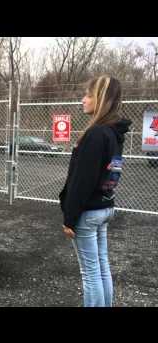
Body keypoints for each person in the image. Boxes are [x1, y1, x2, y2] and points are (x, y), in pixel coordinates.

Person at [59, 75, 132, 307]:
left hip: (89, 212)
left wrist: (70, 217)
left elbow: (83, 180)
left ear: (101, 100)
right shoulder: (113, 133)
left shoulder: (96, 134)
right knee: (101, 266)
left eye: (89, 95)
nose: (83, 99)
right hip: (104, 207)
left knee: (90, 273)